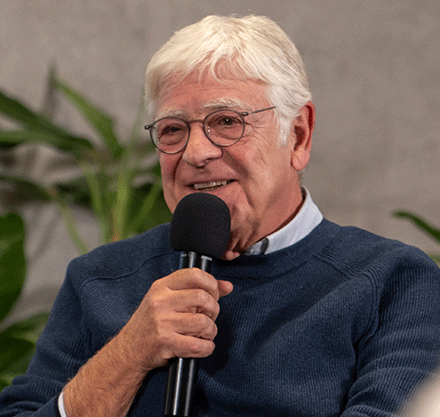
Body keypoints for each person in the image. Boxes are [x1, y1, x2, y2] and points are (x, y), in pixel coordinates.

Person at [1, 14, 440, 417]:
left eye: (227, 121)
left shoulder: (394, 281)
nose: (195, 153)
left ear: (298, 135)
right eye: (173, 129)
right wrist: (128, 353)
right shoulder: (99, 278)